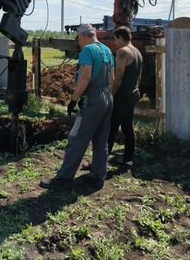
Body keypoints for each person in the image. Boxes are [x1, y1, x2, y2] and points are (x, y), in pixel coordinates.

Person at [40, 24, 114, 191]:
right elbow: (112, 78)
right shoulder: (107, 50)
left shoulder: (88, 51)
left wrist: (74, 99)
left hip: (94, 98)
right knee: (101, 139)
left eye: (78, 39)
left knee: (77, 138)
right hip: (108, 97)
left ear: (82, 36)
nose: (78, 43)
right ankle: (97, 177)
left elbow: (85, 76)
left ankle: (63, 179)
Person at [108, 26, 143, 168]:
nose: (115, 42)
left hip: (122, 95)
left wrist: (111, 94)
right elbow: (139, 76)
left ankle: (100, 161)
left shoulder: (123, 52)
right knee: (128, 127)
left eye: (115, 38)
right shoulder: (137, 52)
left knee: (111, 127)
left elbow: (118, 78)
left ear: (121, 38)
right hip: (133, 93)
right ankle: (128, 159)